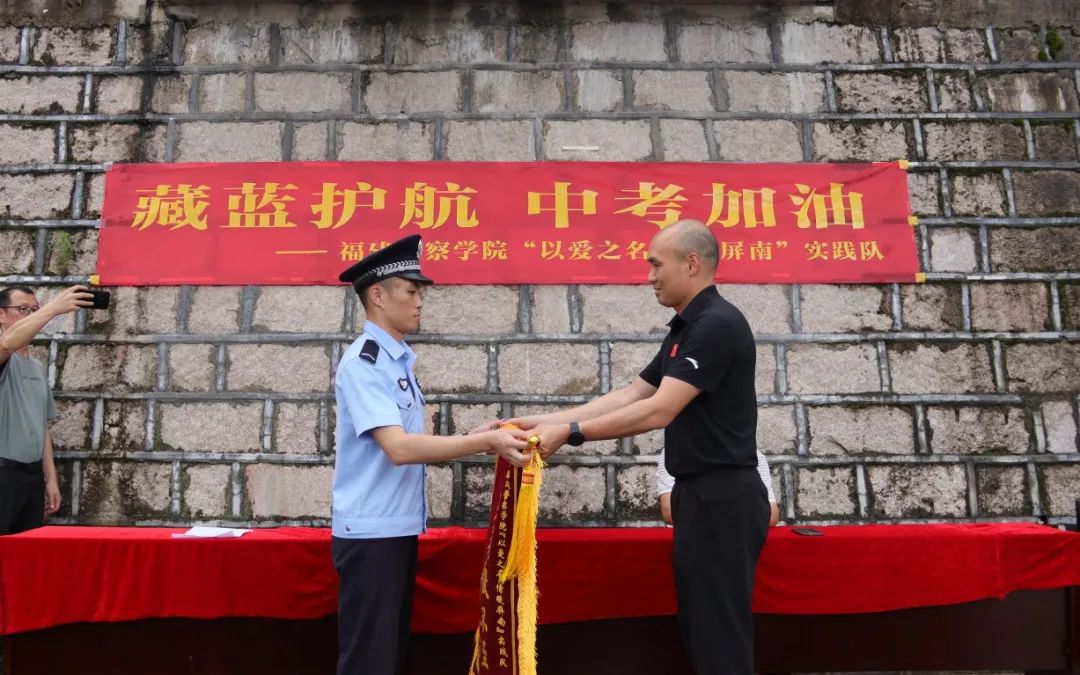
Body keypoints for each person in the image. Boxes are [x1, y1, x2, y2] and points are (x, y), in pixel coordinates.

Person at [513, 219, 767, 675]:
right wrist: (536, 421)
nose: (649, 276)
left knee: (719, 638)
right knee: (701, 630)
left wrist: (570, 434)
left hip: (722, 496)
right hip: (700, 497)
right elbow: (633, 394)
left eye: (656, 264)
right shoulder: (686, 328)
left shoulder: (716, 325)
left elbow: (658, 411)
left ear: (691, 263)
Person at [332, 234, 532, 675]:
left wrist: (470, 435)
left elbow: (409, 442)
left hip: (391, 530)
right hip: (371, 537)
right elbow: (400, 449)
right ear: (379, 296)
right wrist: (483, 443)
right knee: (370, 662)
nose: (420, 301)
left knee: (388, 655)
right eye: (412, 290)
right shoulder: (364, 364)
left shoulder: (394, 360)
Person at [0, 285, 94, 535]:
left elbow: (41, 425)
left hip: (30, 478)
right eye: (22, 310)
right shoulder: (5, 355)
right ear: (1, 315)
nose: (30, 316)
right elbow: (7, 345)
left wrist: (50, 478)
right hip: (3, 474)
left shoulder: (36, 367)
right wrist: (52, 309)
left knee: (25, 555)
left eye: (34, 310)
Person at [656, 447, 779, 527]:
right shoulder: (674, 452)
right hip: (692, 544)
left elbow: (771, 515)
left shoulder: (754, 455)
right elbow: (670, 512)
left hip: (739, 546)